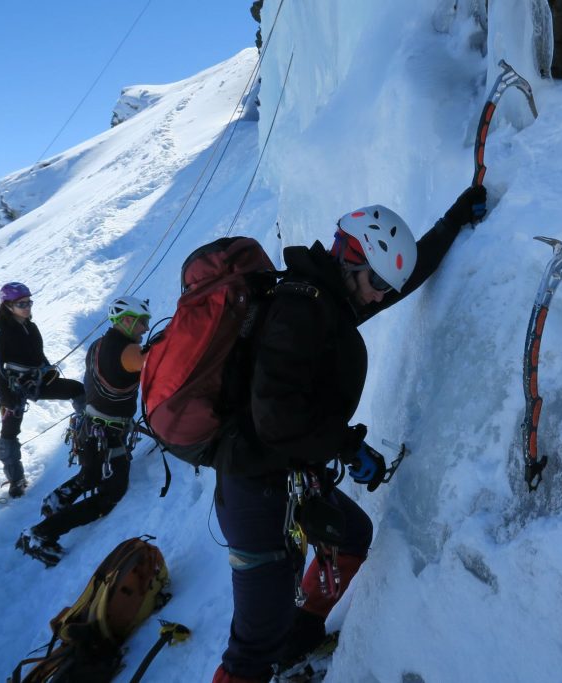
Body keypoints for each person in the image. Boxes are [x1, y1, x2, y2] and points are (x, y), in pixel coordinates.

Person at [211, 184, 487, 683]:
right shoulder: (302, 309)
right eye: (377, 281)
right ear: (351, 260)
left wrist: (454, 218)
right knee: (252, 644)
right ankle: (272, 651)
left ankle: (297, 639)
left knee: (352, 537)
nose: (383, 293)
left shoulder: (331, 301)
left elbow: (401, 278)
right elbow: (274, 418)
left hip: (287, 478)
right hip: (254, 488)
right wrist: (346, 444)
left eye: (385, 283)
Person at [16, 296, 152, 567]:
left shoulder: (99, 345)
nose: (145, 329)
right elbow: (156, 360)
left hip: (90, 428)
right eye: (142, 323)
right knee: (111, 493)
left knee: (90, 474)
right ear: (126, 321)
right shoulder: (128, 353)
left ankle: (56, 500)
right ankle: (41, 534)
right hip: (108, 433)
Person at [0, 282, 84, 499]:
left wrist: (49, 370)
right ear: (8, 306)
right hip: (12, 388)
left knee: (77, 389)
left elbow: (39, 356)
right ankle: (16, 480)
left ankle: (86, 436)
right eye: (21, 303)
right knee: (10, 433)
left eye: (28, 302)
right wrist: (7, 397)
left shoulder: (31, 327)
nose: (27, 306)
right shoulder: (0, 332)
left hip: (37, 381)